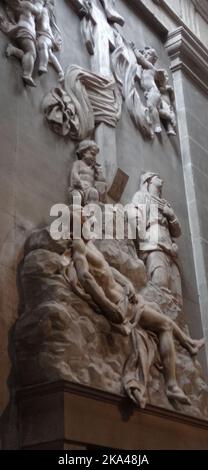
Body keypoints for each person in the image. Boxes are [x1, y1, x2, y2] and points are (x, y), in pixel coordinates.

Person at [71, 211, 204, 405]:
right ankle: (172, 385)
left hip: (126, 296)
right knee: (165, 325)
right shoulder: (79, 246)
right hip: (120, 305)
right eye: (86, 221)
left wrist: (127, 283)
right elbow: (85, 277)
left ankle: (189, 343)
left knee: (154, 308)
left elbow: (109, 270)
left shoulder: (90, 245)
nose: (90, 225)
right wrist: (106, 305)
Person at [132, 172, 182, 304]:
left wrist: (171, 215)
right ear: (149, 181)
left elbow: (177, 232)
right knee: (159, 282)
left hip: (170, 249)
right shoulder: (141, 196)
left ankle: (173, 322)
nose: (162, 179)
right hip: (153, 245)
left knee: (176, 294)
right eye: (157, 177)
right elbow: (136, 219)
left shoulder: (165, 204)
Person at [0, 0, 42, 86]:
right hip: (25, 29)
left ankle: (13, 50)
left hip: (26, 30)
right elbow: (38, 10)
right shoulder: (27, 5)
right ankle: (27, 74)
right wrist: (41, 2)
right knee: (31, 52)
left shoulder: (26, 5)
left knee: (30, 53)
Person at [130, 44, 164, 134]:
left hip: (153, 91)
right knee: (153, 108)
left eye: (148, 54)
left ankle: (157, 126)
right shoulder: (144, 69)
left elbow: (140, 59)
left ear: (153, 59)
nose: (145, 55)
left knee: (150, 105)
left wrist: (134, 48)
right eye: (145, 53)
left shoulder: (150, 66)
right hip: (149, 92)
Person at [68, 140, 106, 205]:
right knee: (76, 196)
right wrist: (79, 182)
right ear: (83, 152)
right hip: (79, 188)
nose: (94, 157)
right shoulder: (78, 163)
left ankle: (91, 209)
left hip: (89, 189)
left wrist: (99, 173)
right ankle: (77, 209)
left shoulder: (94, 168)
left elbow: (100, 182)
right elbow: (74, 173)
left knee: (94, 193)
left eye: (95, 156)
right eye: (92, 154)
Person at [36, 0, 64, 81]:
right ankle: (60, 71)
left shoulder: (44, 10)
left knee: (42, 44)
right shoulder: (45, 11)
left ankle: (43, 66)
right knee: (50, 54)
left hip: (45, 35)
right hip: (47, 36)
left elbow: (44, 25)